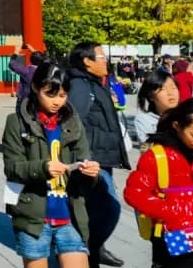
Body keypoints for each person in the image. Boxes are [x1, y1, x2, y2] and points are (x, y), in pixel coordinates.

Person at [3, 62, 100, 268]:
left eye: (63, 95)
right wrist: (43, 168)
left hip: (70, 215)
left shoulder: (73, 122)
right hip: (34, 217)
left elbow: (83, 159)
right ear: (36, 88)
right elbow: (12, 168)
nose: (57, 101)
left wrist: (91, 172)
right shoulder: (16, 122)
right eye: (51, 94)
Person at [124, 98, 193, 267]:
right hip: (173, 238)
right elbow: (134, 193)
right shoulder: (157, 157)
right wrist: (170, 212)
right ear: (177, 126)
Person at [67, 43, 130, 268]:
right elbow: (76, 123)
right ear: (87, 61)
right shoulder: (80, 86)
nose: (106, 61)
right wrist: (85, 157)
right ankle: (87, 249)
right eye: (101, 57)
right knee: (110, 207)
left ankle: (93, 249)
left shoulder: (96, 83)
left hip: (104, 154)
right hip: (93, 158)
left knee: (97, 209)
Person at [134, 70, 180, 144]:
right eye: (163, 89)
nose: (170, 93)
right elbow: (148, 146)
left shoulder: (187, 115)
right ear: (151, 96)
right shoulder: (144, 119)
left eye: (173, 88)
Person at [10, 43, 46, 112]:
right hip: (39, 100)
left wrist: (16, 52)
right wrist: (34, 52)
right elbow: (47, 61)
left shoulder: (27, 71)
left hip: (25, 99)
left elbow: (12, 64)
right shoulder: (44, 70)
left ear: (30, 59)